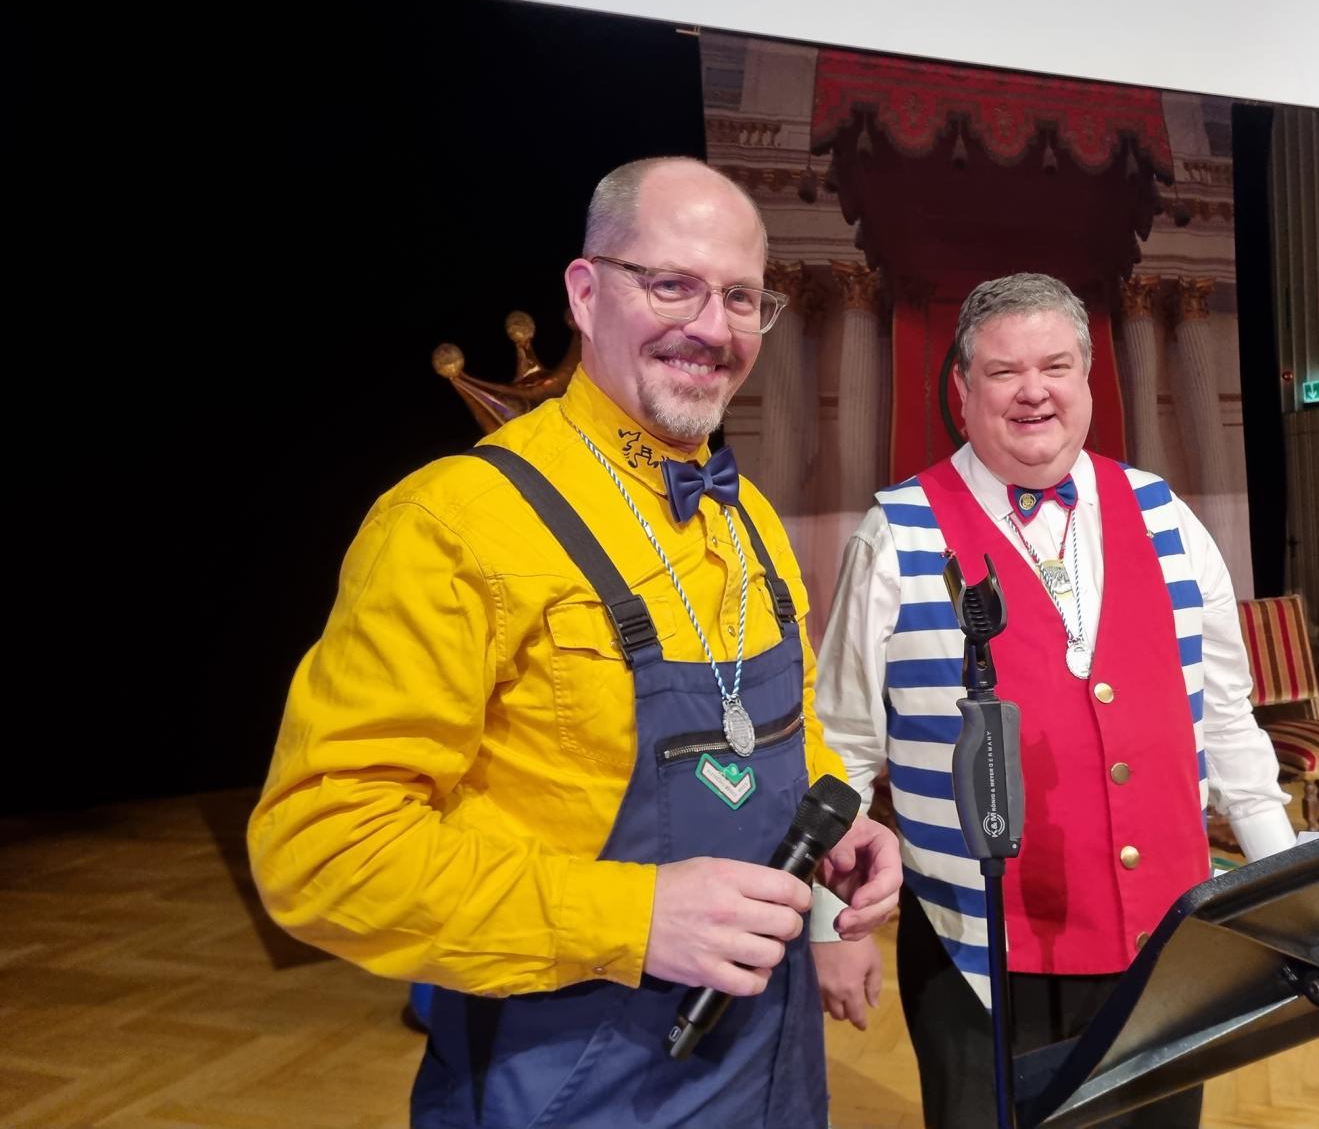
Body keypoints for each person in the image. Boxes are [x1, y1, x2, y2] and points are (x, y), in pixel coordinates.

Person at [248, 156, 901, 1129]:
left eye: (740, 297)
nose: (712, 326)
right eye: (672, 284)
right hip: (565, 1087)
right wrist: (631, 918)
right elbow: (320, 852)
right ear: (586, 294)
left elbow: (775, 731)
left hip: (773, 1073)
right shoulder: (453, 525)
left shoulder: (752, 521)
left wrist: (830, 826)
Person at [811, 272, 1295, 1129]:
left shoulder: (1169, 519)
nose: (1033, 391)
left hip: (1165, 943)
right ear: (963, 392)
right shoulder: (895, 535)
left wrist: (1288, 894)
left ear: (1087, 382)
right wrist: (828, 924)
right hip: (976, 951)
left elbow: (1225, 721)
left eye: (1056, 367)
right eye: (1004, 372)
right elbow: (841, 747)